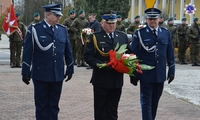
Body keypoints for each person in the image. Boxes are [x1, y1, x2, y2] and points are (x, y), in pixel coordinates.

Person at [21, 4, 74, 120]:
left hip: (57, 74)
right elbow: (27, 52)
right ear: (48, 15)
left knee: (54, 105)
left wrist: (70, 67)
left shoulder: (62, 30)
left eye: (60, 15)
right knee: (42, 105)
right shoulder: (35, 29)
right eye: (56, 15)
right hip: (41, 75)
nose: (59, 18)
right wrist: (25, 71)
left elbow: (67, 51)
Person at [129, 8, 175, 120]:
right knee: (146, 102)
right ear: (146, 19)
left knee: (155, 102)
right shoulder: (140, 34)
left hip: (160, 74)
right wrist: (133, 73)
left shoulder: (165, 33)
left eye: (155, 19)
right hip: (145, 74)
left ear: (159, 19)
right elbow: (132, 53)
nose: (153, 21)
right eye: (150, 19)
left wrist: (172, 70)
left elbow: (170, 53)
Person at [84, 10, 129, 120]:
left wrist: (132, 72)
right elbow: (88, 56)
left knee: (113, 111)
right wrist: (100, 65)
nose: (111, 26)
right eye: (108, 23)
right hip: (101, 80)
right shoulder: (95, 37)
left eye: (113, 23)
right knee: (100, 111)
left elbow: (129, 55)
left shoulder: (122, 37)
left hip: (116, 80)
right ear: (102, 23)